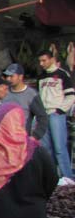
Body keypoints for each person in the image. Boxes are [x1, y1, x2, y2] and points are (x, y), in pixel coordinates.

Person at [37, 49, 75, 179]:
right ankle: (53, 178)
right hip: (43, 115)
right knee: (47, 149)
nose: (41, 63)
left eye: (44, 60)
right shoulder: (41, 77)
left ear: (51, 59)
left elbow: (71, 96)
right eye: (40, 61)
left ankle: (68, 179)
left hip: (56, 114)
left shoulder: (62, 74)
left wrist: (60, 110)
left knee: (59, 148)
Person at [3, 63, 48, 140]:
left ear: (20, 77)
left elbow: (42, 117)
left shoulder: (31, 94)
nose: (8, 79)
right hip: (4, 138)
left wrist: (35, 136)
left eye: (11, 76)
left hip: (22, 140)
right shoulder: (4, 92)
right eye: (7, 76)